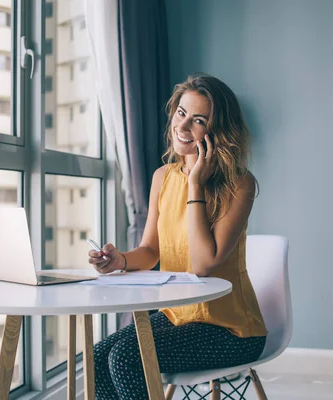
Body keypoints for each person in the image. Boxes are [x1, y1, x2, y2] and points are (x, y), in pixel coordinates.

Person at [88, 73, 267, 400]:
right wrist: (121, 260)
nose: (183, 127)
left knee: (126, 360)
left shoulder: (240, 185)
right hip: (177, 316)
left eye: (198, 120)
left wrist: (196, 183)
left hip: (230, 330)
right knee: (97, 358)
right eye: (181, 113)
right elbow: (151, 250)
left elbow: (203, 265)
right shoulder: (163, 177)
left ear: (218, 132)